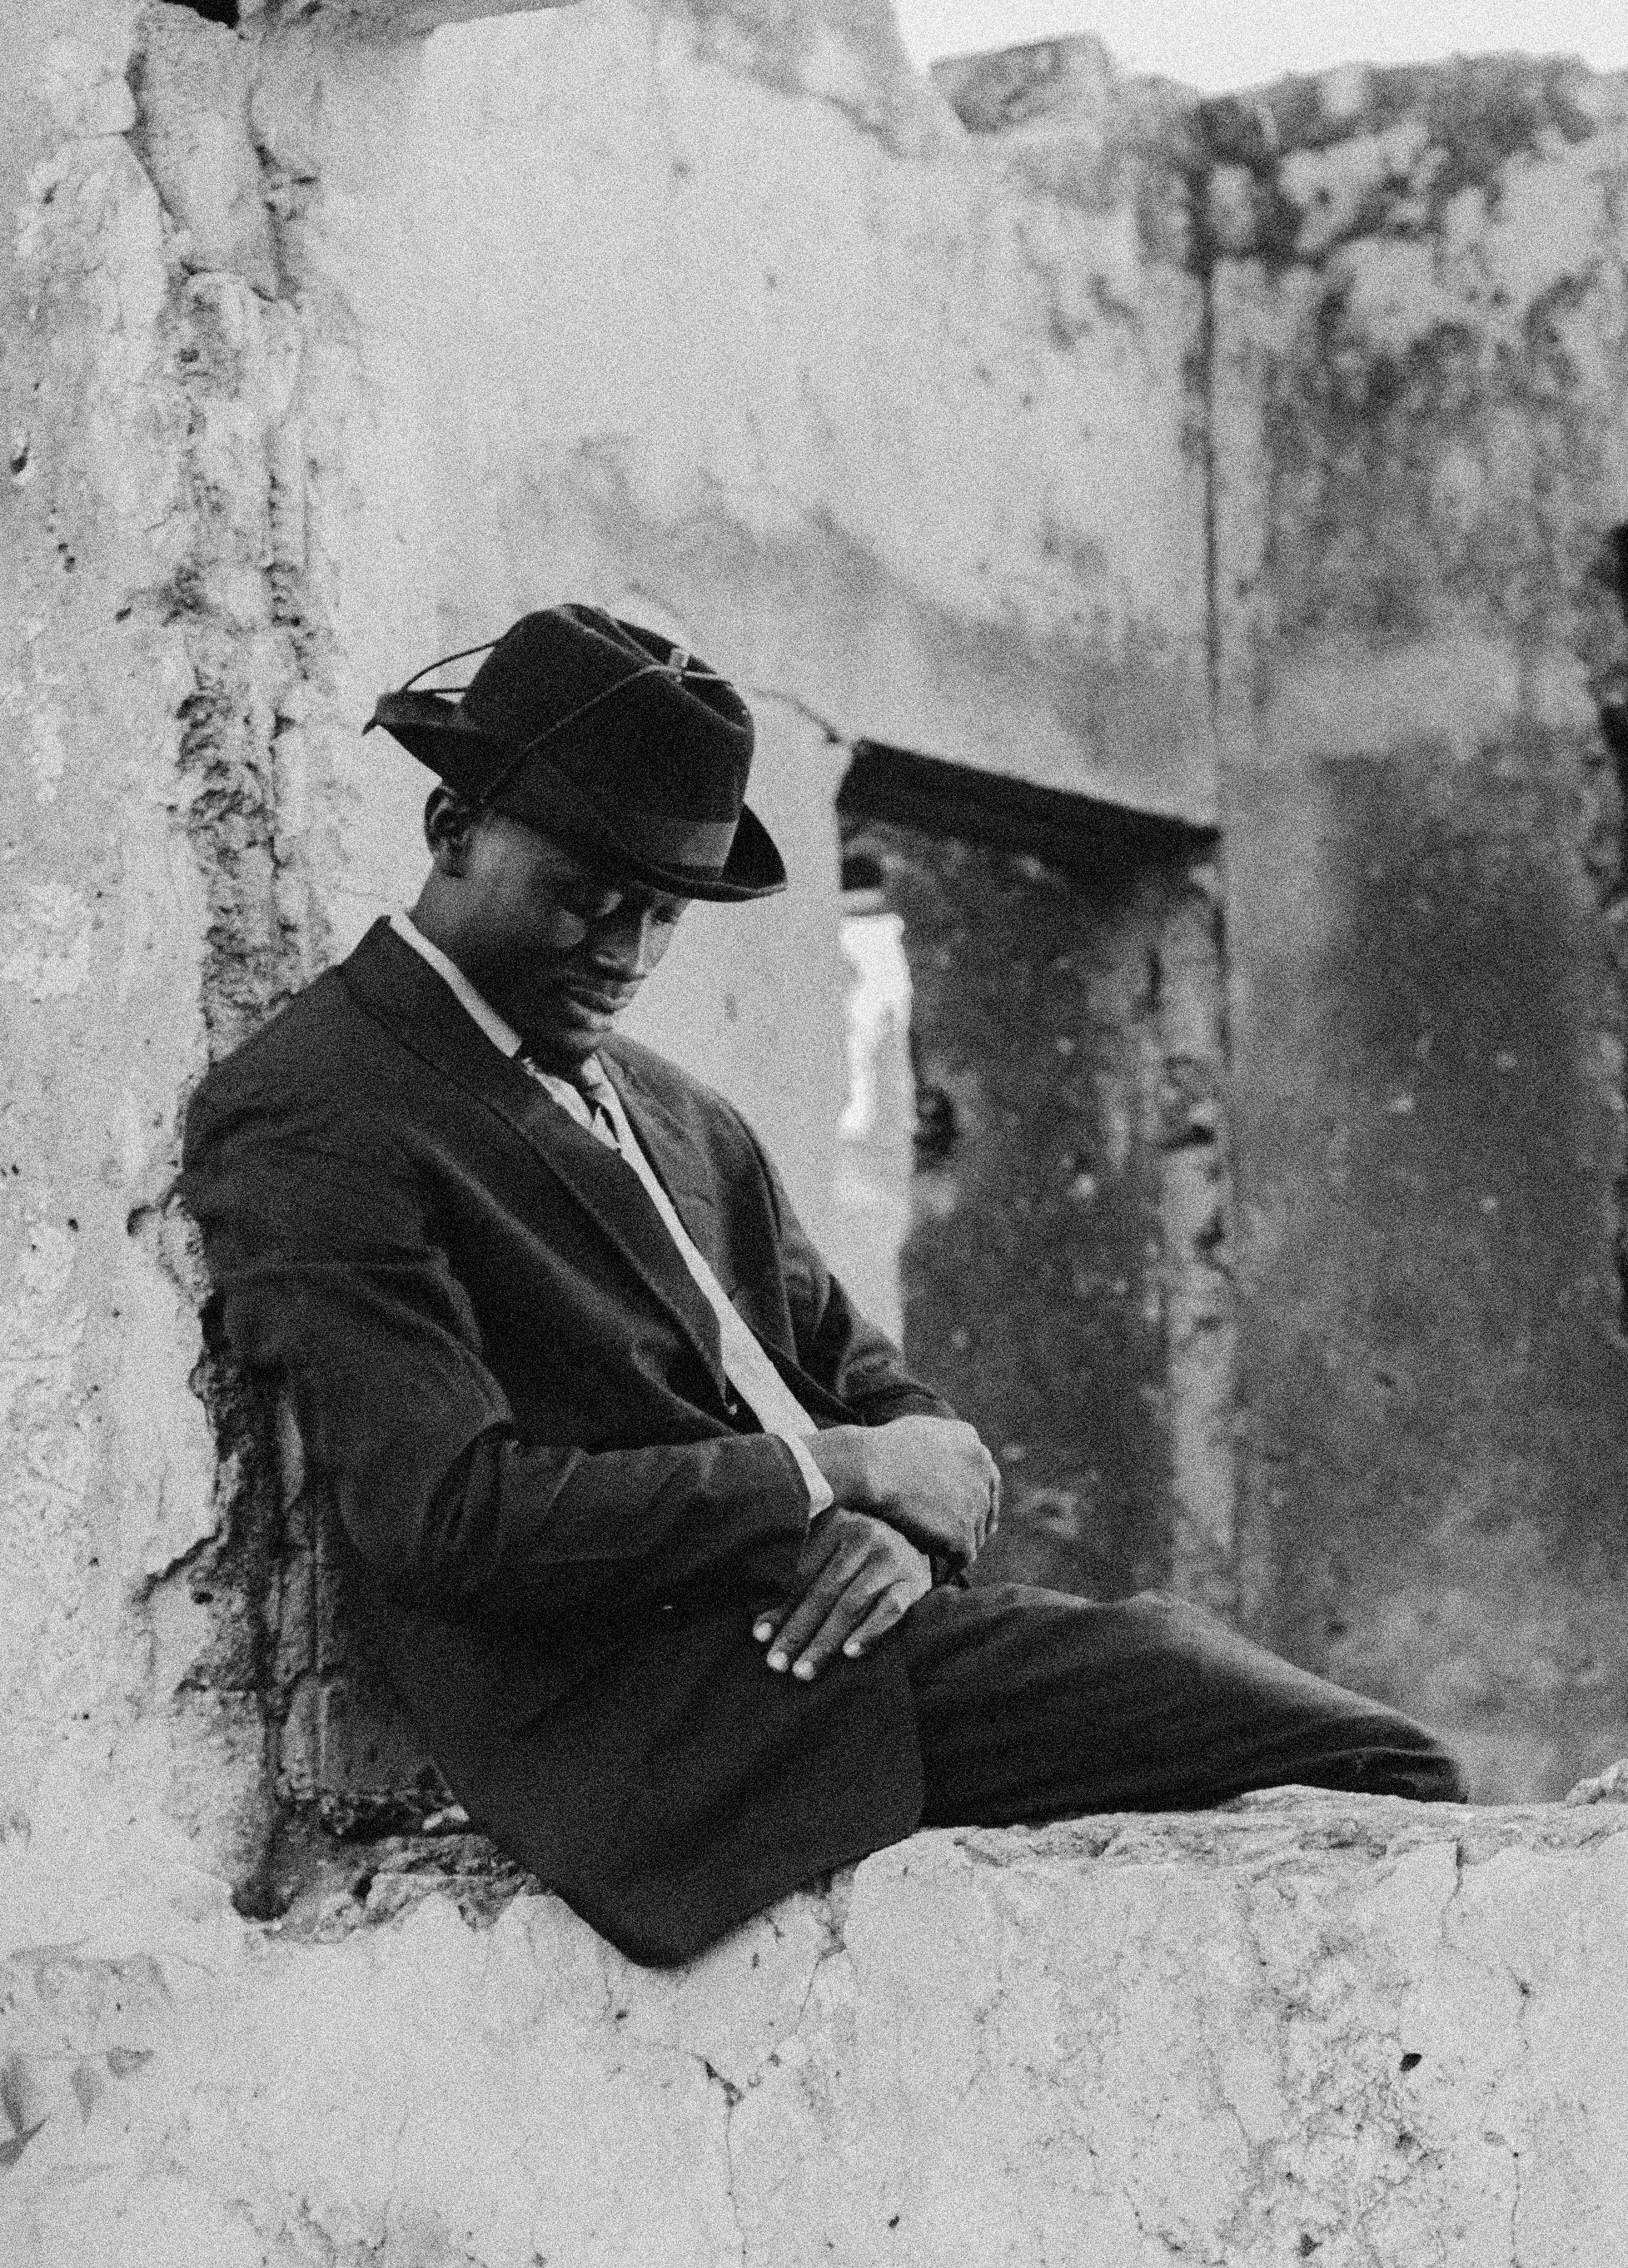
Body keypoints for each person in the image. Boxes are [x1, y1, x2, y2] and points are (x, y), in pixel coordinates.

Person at [178, 605, 1463, 1966]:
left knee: (1364, 1763)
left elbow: (908, 1419)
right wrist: (830, 1478)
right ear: (452, 830)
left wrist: (902, 1530)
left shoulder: (681, 1117)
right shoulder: (322, 1106)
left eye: (661, 914)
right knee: (1374, 1760)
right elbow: (449, 1517)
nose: (621, 952)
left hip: (853, 1655)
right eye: (581, 896)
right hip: (668, 1735)